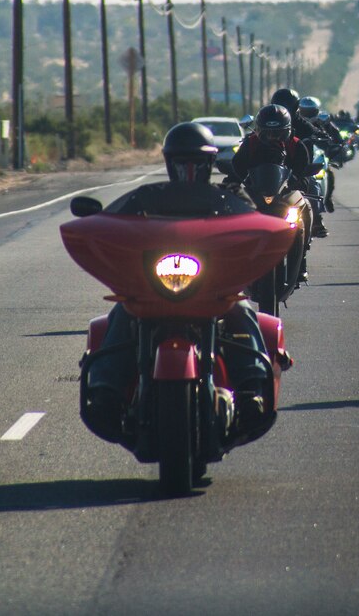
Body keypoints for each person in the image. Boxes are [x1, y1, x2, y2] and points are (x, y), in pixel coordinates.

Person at [85, 122, 274, 443]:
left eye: (197, 163)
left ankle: (250, 391)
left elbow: (254, 222)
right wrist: (100, 225)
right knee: (122, 313)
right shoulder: (146, 198)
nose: (189, 170)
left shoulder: (229, 196)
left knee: (241, 310)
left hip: (213, 287)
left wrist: (259, 226)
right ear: (169, 163)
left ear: (209, 164)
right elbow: (115, 224)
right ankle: (106, 393)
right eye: (181, 162)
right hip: (155, 287)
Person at [270, 89, 332, 236]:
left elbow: (316, 132)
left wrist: (320, 136)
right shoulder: (269, 122)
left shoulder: (301, 123)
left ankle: (316, 221)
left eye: (287, 105)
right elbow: (255, 134)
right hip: (272, 170)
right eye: (281, 105)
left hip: (298, 169)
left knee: (313, 186)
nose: (284, 108)